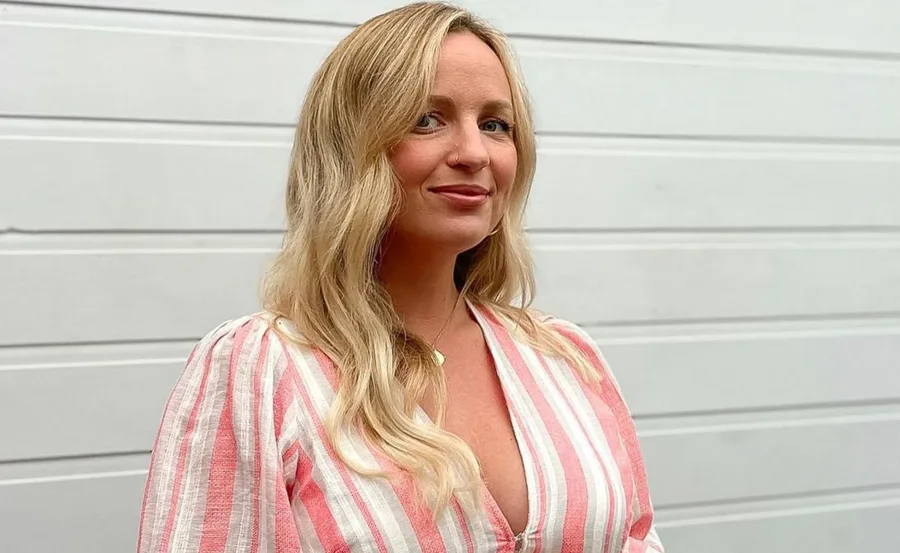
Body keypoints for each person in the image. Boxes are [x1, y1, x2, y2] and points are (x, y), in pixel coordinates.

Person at [136, 2, 664, 552]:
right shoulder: (264, 370)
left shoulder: (565, 358)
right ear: (350, 149)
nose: (473, 152)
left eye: (494, 124)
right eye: (426, 119)